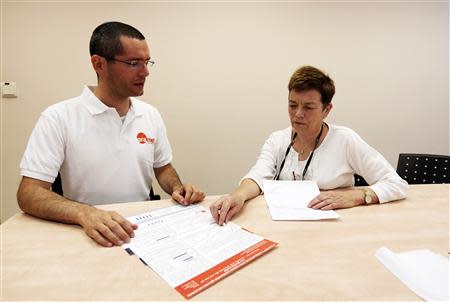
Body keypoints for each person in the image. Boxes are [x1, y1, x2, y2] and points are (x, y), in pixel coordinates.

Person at [17, 21, 205, 247]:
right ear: (99, 64)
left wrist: (177, 187)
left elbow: (163, 168)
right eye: (133, 63)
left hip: (143, 230)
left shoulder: (150, 115)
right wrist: (85, 214)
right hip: (88, 231)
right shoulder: (58, 118)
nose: (145, 72)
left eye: (147, 62)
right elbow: (28, 194)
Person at [210, 65, 408, 225]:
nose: (297, 114)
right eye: (292, 104)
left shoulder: (345, 140)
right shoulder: (277, 140)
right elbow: (258, 175)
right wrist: (237, 196)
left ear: (326, 109)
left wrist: (355, 196)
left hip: (332, 230)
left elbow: (396, 184)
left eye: (308, 107)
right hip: (284, 227)